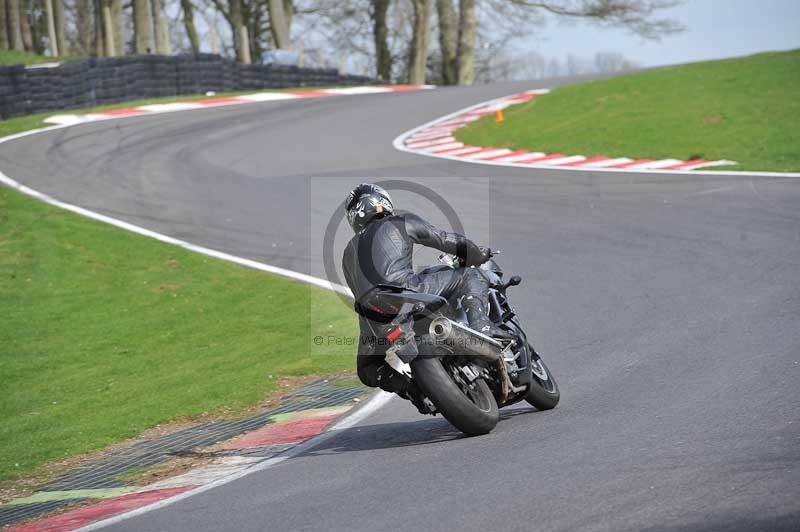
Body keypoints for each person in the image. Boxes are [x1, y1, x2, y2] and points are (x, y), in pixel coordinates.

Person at [341, 183, 501, 410]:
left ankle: (413, 390)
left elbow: (356, 290)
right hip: (407, 292)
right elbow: (445, 239)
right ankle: (482, 327)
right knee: (470, 276)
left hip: (373, 315)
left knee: (367, 368)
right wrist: (477, 253)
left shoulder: (348, 252)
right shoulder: (399, 222)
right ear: (383, 202)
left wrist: (410, 389)